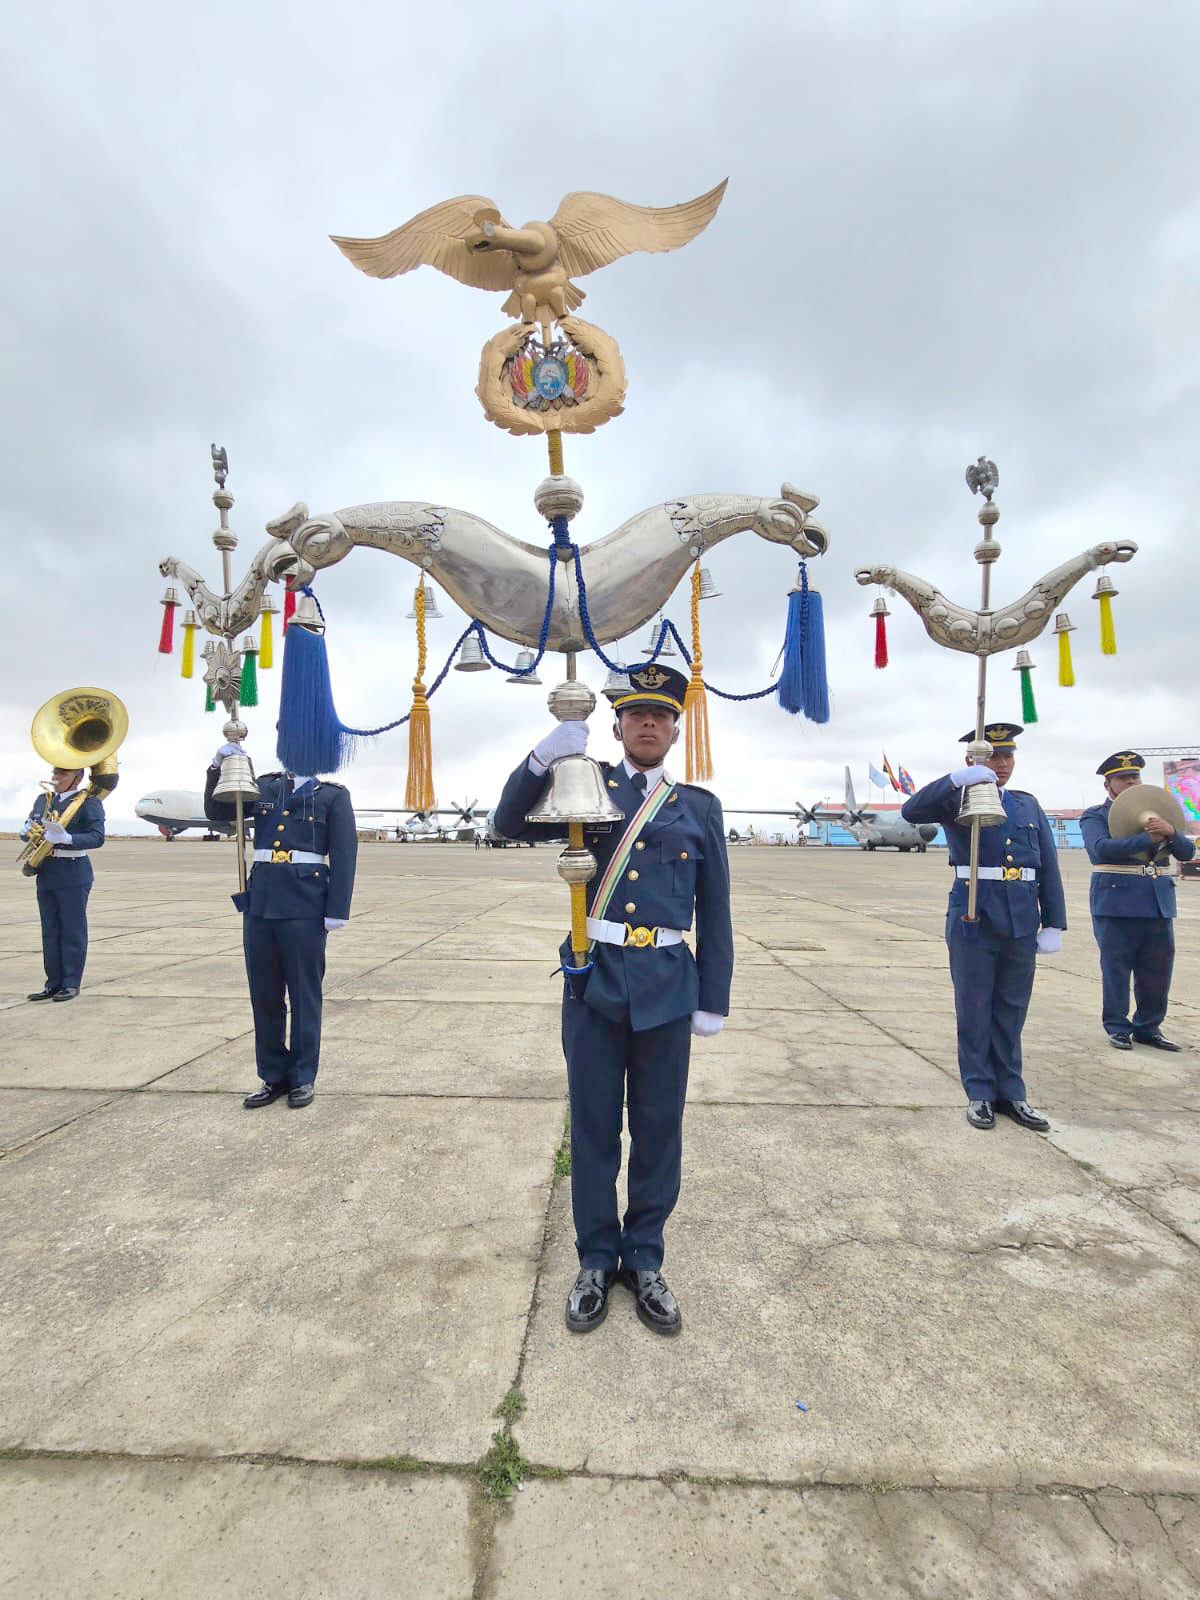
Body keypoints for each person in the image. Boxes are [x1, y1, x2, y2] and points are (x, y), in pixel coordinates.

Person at [494, 663, 734, 1337]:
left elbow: (716, 913)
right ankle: (596, 1260)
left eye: (660, 715)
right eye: (636, 714)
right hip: (594, 982)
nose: (649, 724)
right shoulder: (586, 786)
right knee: (595, 1130)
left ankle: (646, 1260)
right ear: (619, 725)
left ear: (675, 729)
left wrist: (713, 997)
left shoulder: (700, 809)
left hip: (667, 987)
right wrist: (547, 752)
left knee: (659, 1132)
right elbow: (507, 819)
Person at [901, 722, 1066, 1132]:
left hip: (1022, 918)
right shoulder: (958, 796)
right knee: (975, 1006)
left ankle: (1012, 1092)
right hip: (974, 913)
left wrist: (1054, 922)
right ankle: (979, 1091)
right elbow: (911, 810)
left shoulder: (1027, 805)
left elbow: (1048, 865)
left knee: (1012, 1008)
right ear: (973, 760)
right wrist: (955, 781)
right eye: (993, 756)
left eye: (1008, 755)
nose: (1002, 764)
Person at [205, 743, 357, 1109]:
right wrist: (220, 767)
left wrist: (338, 908)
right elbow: (217, 813)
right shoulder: (263, 786)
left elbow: (345, 851)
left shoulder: (332, 795)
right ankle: (272, 1075)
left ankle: (303, 1077)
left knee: (304, 995)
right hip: (261, 902)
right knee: (265, 994)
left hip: (306, 903)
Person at [1079, 750, 1195, 1052]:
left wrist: (1171, 831)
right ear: (1109, 786)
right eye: (1123, 778)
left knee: (1157, 971)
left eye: (1135, 777)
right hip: (1116, 903)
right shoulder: (1096, 815)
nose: (1131, 782)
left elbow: (1186, 853)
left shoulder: (1161, 814)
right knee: (1116, 970)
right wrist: (1149, 839)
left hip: (1158, 903)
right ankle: (1118, 1027)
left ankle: (1149, 1027)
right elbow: (1100, 850)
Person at [22, 765, 105, 1002]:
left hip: (73, 870)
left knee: (71, 929)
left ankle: (70, 982)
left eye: (62, 774)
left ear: (77, 778)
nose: (55, 778)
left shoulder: (89, 802)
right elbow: (31, 825)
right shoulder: (43, 799)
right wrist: (26, 830)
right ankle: (53, 983)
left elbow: (97, 837)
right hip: (47, 869)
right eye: (55, 773)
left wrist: (67, 838)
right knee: (50, 929)